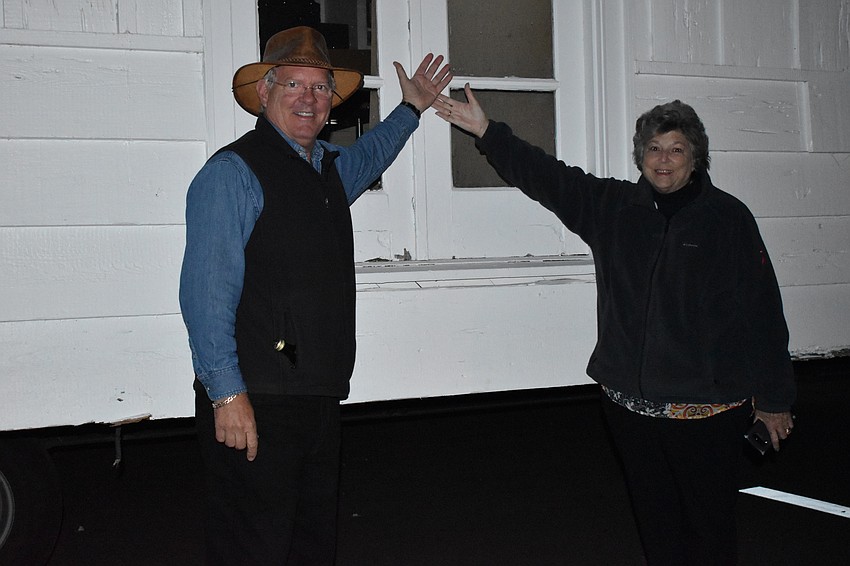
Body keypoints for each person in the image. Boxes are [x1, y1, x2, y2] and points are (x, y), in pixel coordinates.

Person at [435, 87, 796, 564]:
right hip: (631, 413)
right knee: (657, 527)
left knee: (709, 531)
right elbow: (548, 177)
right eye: (653, 148)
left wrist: (774, 402)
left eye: (676, 149)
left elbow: (763, 312)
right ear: (640, 155)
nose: (663, 160)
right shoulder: (613, 207)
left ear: (696, 158)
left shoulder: (727, 219)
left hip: (705, 417)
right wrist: (486, 131)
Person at [179, 26, 451, 565]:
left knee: (310, 545)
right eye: (294, 85)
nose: (309, 98)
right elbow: (205, 296)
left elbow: (370, 155)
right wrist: (227, 396)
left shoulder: (327, 169)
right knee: (251, 549)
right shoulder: (231, 174)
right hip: (255, 400)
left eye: (321, 88)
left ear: (332, 101)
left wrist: (412, 109)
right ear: (265, 93)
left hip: (317, 399)